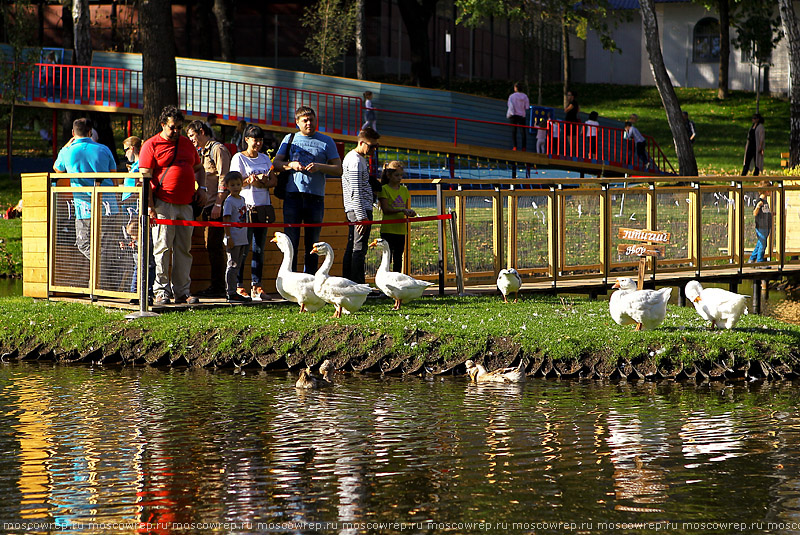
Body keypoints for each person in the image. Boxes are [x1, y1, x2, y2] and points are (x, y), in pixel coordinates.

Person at [138, 105, 205, 305]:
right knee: (162, 247)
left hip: (186, 204)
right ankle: (161, 291)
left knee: (184, 249)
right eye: (172, 127)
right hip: (163, 203)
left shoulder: (186, 144)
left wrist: (202, 189)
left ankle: (183, 291)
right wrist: (149, 206)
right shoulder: (151, 145)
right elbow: (144, 179)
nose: (176, 131)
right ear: (162, 125)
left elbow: (199, 168)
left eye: (179, 127)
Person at [272, 106, 343, 273]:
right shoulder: (289, 139)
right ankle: (291, 281)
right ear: (297, 122)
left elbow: (338, 169)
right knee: (291, 242)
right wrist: (290, 165)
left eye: (311, 119)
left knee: (313, 243)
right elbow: (276, 163)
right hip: (293, 196)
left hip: (315, 198)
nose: (309, 123)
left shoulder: (326, 141)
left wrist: (320, 167)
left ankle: (310, 282)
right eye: (305, 120)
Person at [53, 117, 119, 285]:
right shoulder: (104, 149)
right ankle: (103, 282)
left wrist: (67, 145)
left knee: (83, 243)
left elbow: (57, 169)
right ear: (90, 132)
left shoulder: (67, 152)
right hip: (108, 205)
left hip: (84, 207)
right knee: (106, 245)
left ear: (73, 133)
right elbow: (115, 178)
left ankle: (99, 280)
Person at [229, 125, 276, 301]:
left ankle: (257, 286)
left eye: (260, 140)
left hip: (263, 207)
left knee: (259, 249)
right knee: (243, 248)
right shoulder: (239, 158)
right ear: (246, 139)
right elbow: (234, 181)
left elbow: (274, 180)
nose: (257, 143)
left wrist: (263, 182)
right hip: (245, 208)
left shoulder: (264, 158)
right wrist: (250, 181)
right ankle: (239, 285)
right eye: (254, 139)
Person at [186, 120, 231, 299]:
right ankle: (216, 284)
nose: (191, 140)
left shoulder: (217, 149)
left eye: (192, 136)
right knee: (210, 246)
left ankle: (220, 286)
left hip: (216, 205)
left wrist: (219, 204)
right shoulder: (201, 152)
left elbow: (224, 177)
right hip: (206, 205)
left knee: (215, 246)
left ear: (202, 131)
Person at [341, 127, 380, 284]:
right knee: (358, 249)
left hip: (360, 209)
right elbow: (355, 191)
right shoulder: (355, 161)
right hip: (359, 211)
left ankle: (351, 283)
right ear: (362, 142)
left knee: (354, 247)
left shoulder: (359, 159)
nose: (373, 150)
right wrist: (361, 216)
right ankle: (356, 284)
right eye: (371, 146)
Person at [378, 161, 416, 273]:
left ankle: (398, 282)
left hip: (400, 230)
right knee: (387, 259)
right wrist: (401, 210)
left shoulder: (404, 190)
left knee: (398, 258)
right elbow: (386, 210)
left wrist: (409, 212)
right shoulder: (384, 189)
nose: (400, 178)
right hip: (388, 229)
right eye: (396, 175)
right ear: (389, 175)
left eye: (401, 175)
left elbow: (405, 207)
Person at [221, 171, 252, 302]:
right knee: (232, 265)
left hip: (242, 237)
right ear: (227, 186)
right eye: (232, 185)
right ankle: (231, 292)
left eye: (238, 184)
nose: (236, 187)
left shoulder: (242, 199)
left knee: (238, 265)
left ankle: (234, 290)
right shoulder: (229, 201)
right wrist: (229, 237)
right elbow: (226, 219)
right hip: (233, 237)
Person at [749, 181, 773, 264]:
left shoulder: (766, 202)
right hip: (760, 226)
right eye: (770, 190)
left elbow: (766, 212)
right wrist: (758, 206)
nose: (771, 192)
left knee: (760, 243)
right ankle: (760, 261)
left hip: (766, 226)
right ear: (767, 191)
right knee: (763, 244)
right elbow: (755, 213)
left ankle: (752, 259)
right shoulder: (759, 201)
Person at [507, 82, 529, 151]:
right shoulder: (525, 96)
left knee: (514, 131)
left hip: (514, 115)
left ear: (516, 88)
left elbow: (510, 105)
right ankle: (524, 147)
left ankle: (515, 146)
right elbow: (527, 107)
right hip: (522, 115)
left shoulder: (512, 96)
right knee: (523, 132)